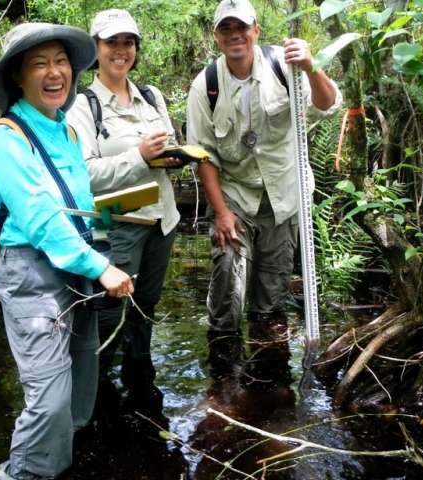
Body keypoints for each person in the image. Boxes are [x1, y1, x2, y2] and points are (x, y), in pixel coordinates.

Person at [0, 22, 134, 480]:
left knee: (82, 385)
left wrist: (105, 230)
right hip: (31, 275)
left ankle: (61, 466)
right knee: (48, 401)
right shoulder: (4, 139)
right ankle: (22, 475)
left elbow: (76, 204)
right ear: (17, 77)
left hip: (76, 266)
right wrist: (101, 267)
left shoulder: (65, 130)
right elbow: (41, 219)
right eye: (39, 63)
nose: (54, 72)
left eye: (61, 61)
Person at [186, 0, 342, 388]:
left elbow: (327, 104)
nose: (235, 35)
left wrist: (310, 66)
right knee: (227, 280)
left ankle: (268, 390)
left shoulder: (284, 66)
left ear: (256, 30)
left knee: (270, 300)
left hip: (285, 196)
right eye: (226, 29)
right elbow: (203, 156)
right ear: (217, 36)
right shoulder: (206, 84)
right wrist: (221, 212)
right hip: (235, 196)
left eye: (242, 27)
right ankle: (223, 381)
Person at [67, 9, 181, 420]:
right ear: (96, 48)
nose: (121, 51)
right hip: (116, 223)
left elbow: (163, 151)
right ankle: (93, 397)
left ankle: (139, 380)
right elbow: (83, 177)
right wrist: (139, 157)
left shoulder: (152, 96)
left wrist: (172, 157)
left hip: (161, 221)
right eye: (112, 42)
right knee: (110, 310)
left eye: (128, 42)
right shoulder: (83, 106)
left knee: (146, 305)